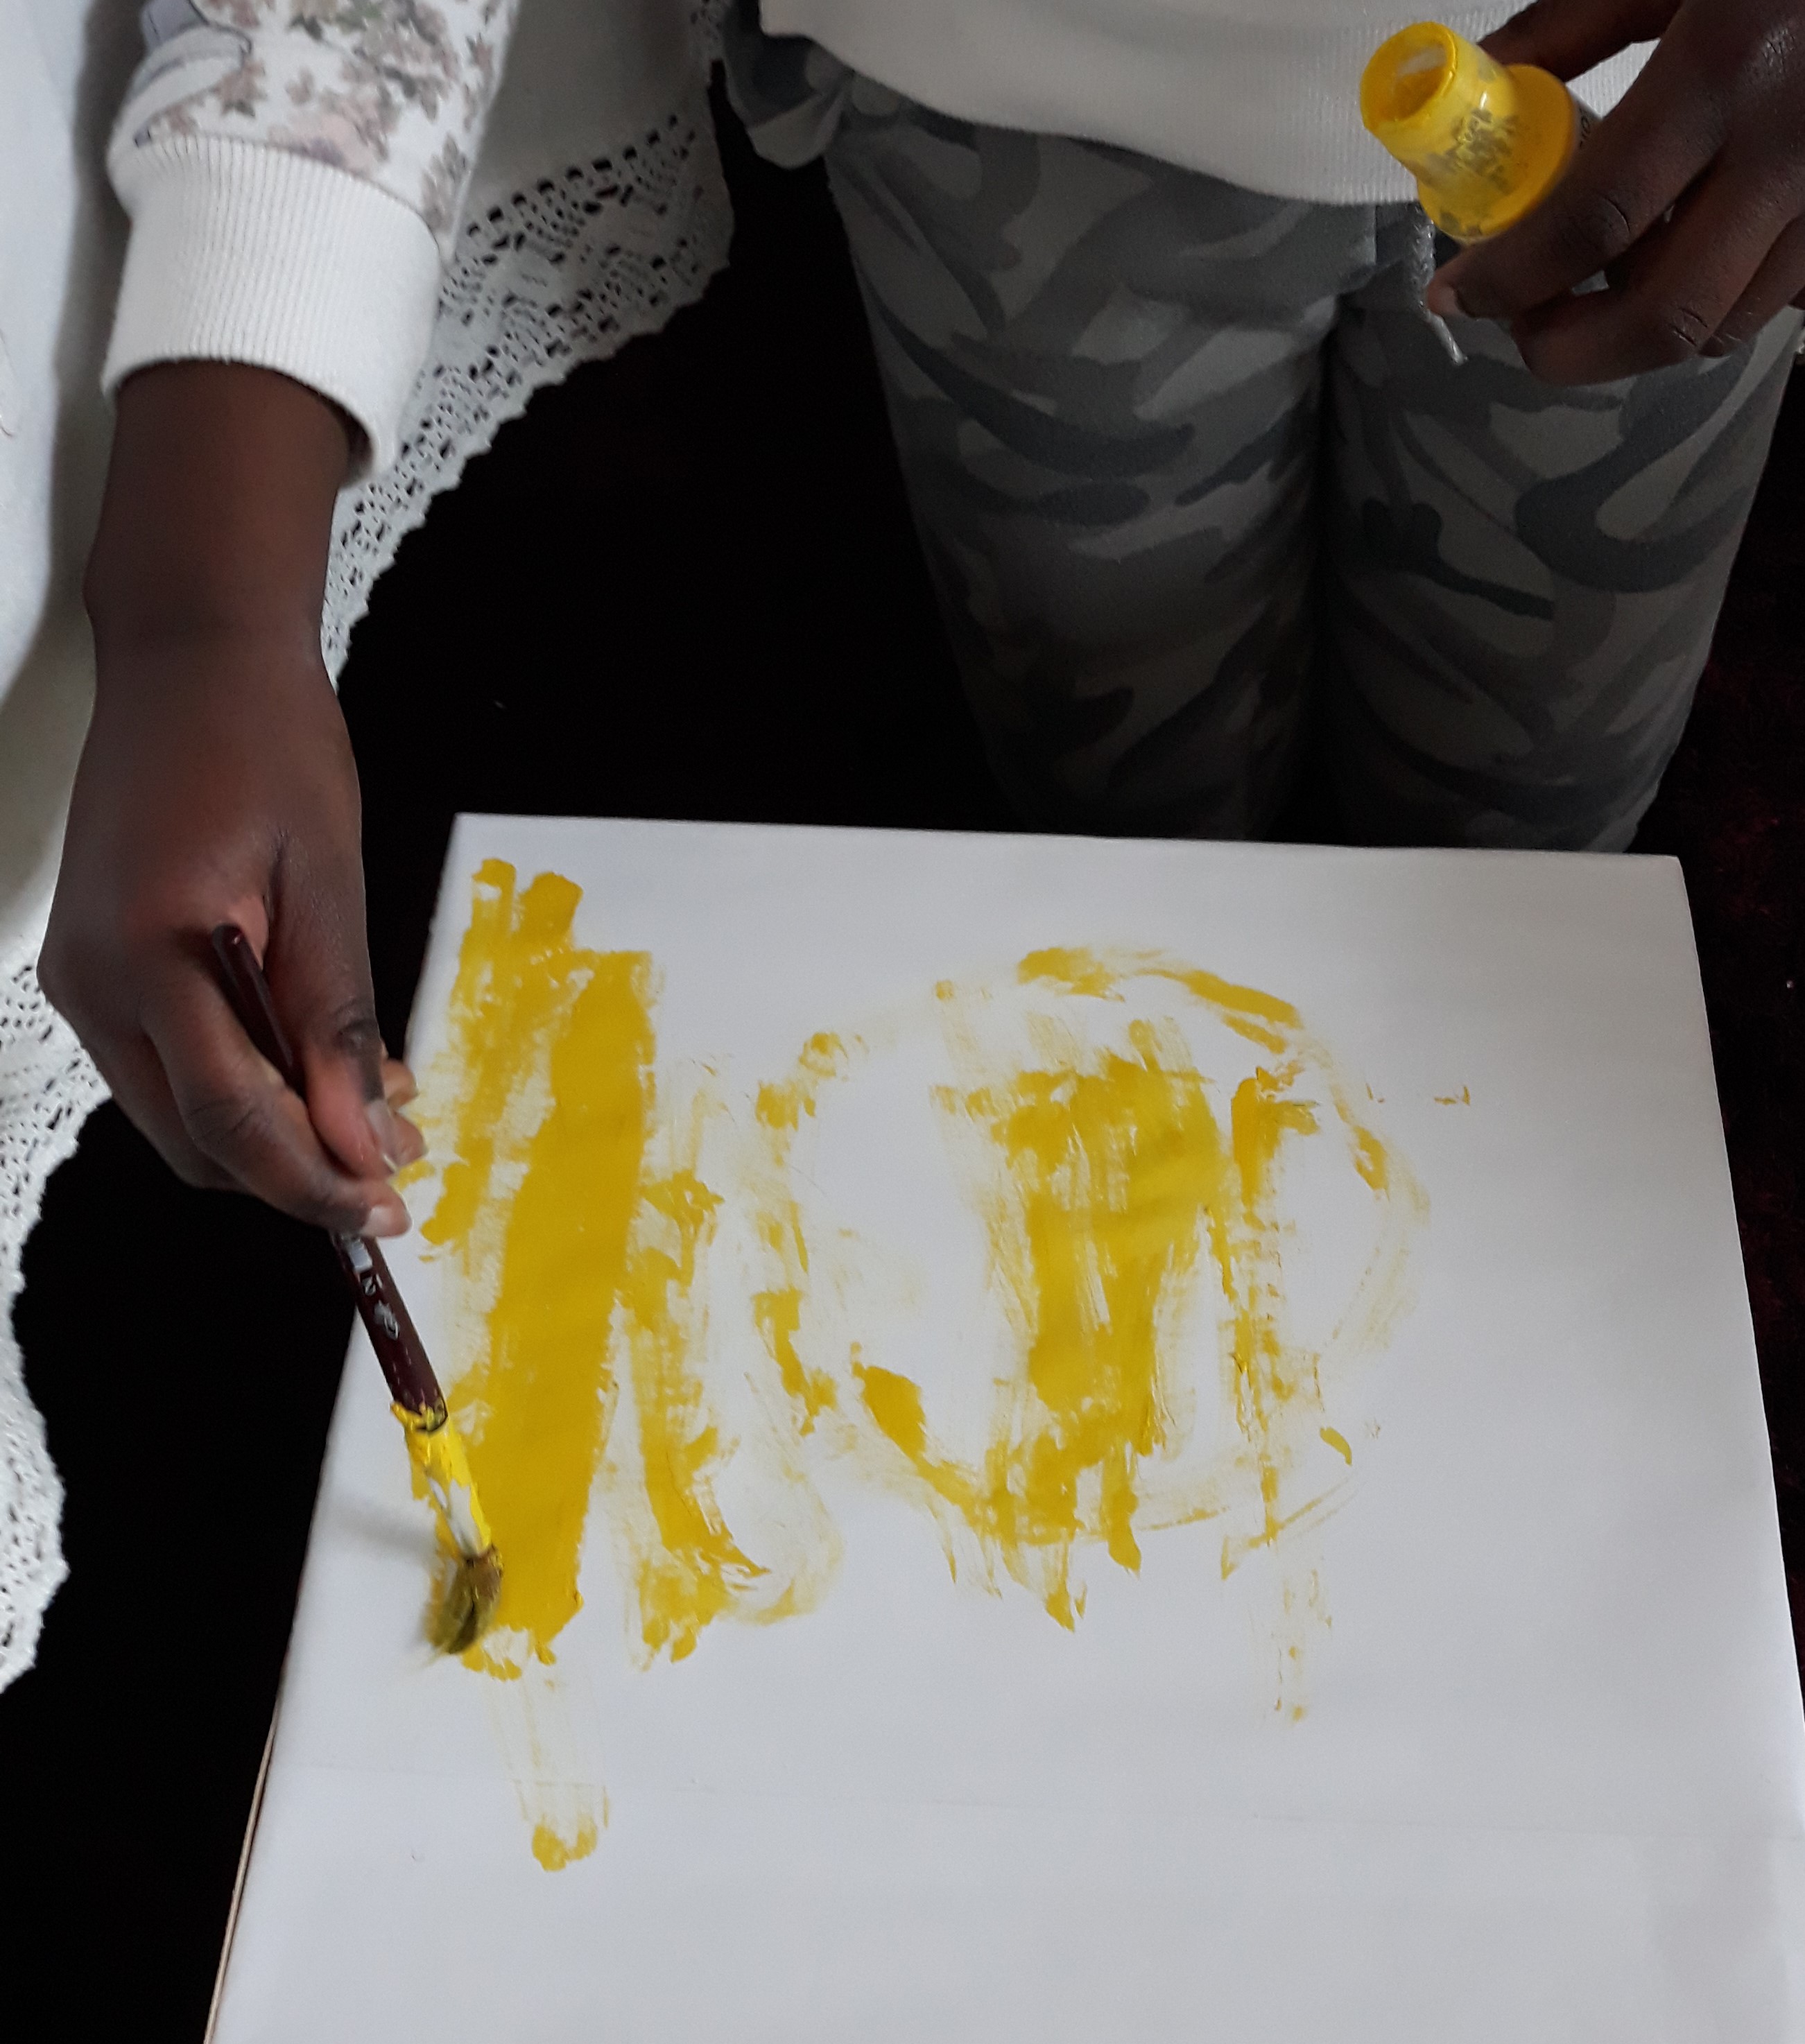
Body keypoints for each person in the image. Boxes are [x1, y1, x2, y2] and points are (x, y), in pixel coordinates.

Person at [38, 0, 1805, 1245]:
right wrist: (206, 599)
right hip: (1014, 99)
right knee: (1119, 833)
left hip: (1673, 117)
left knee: (1525, 864)